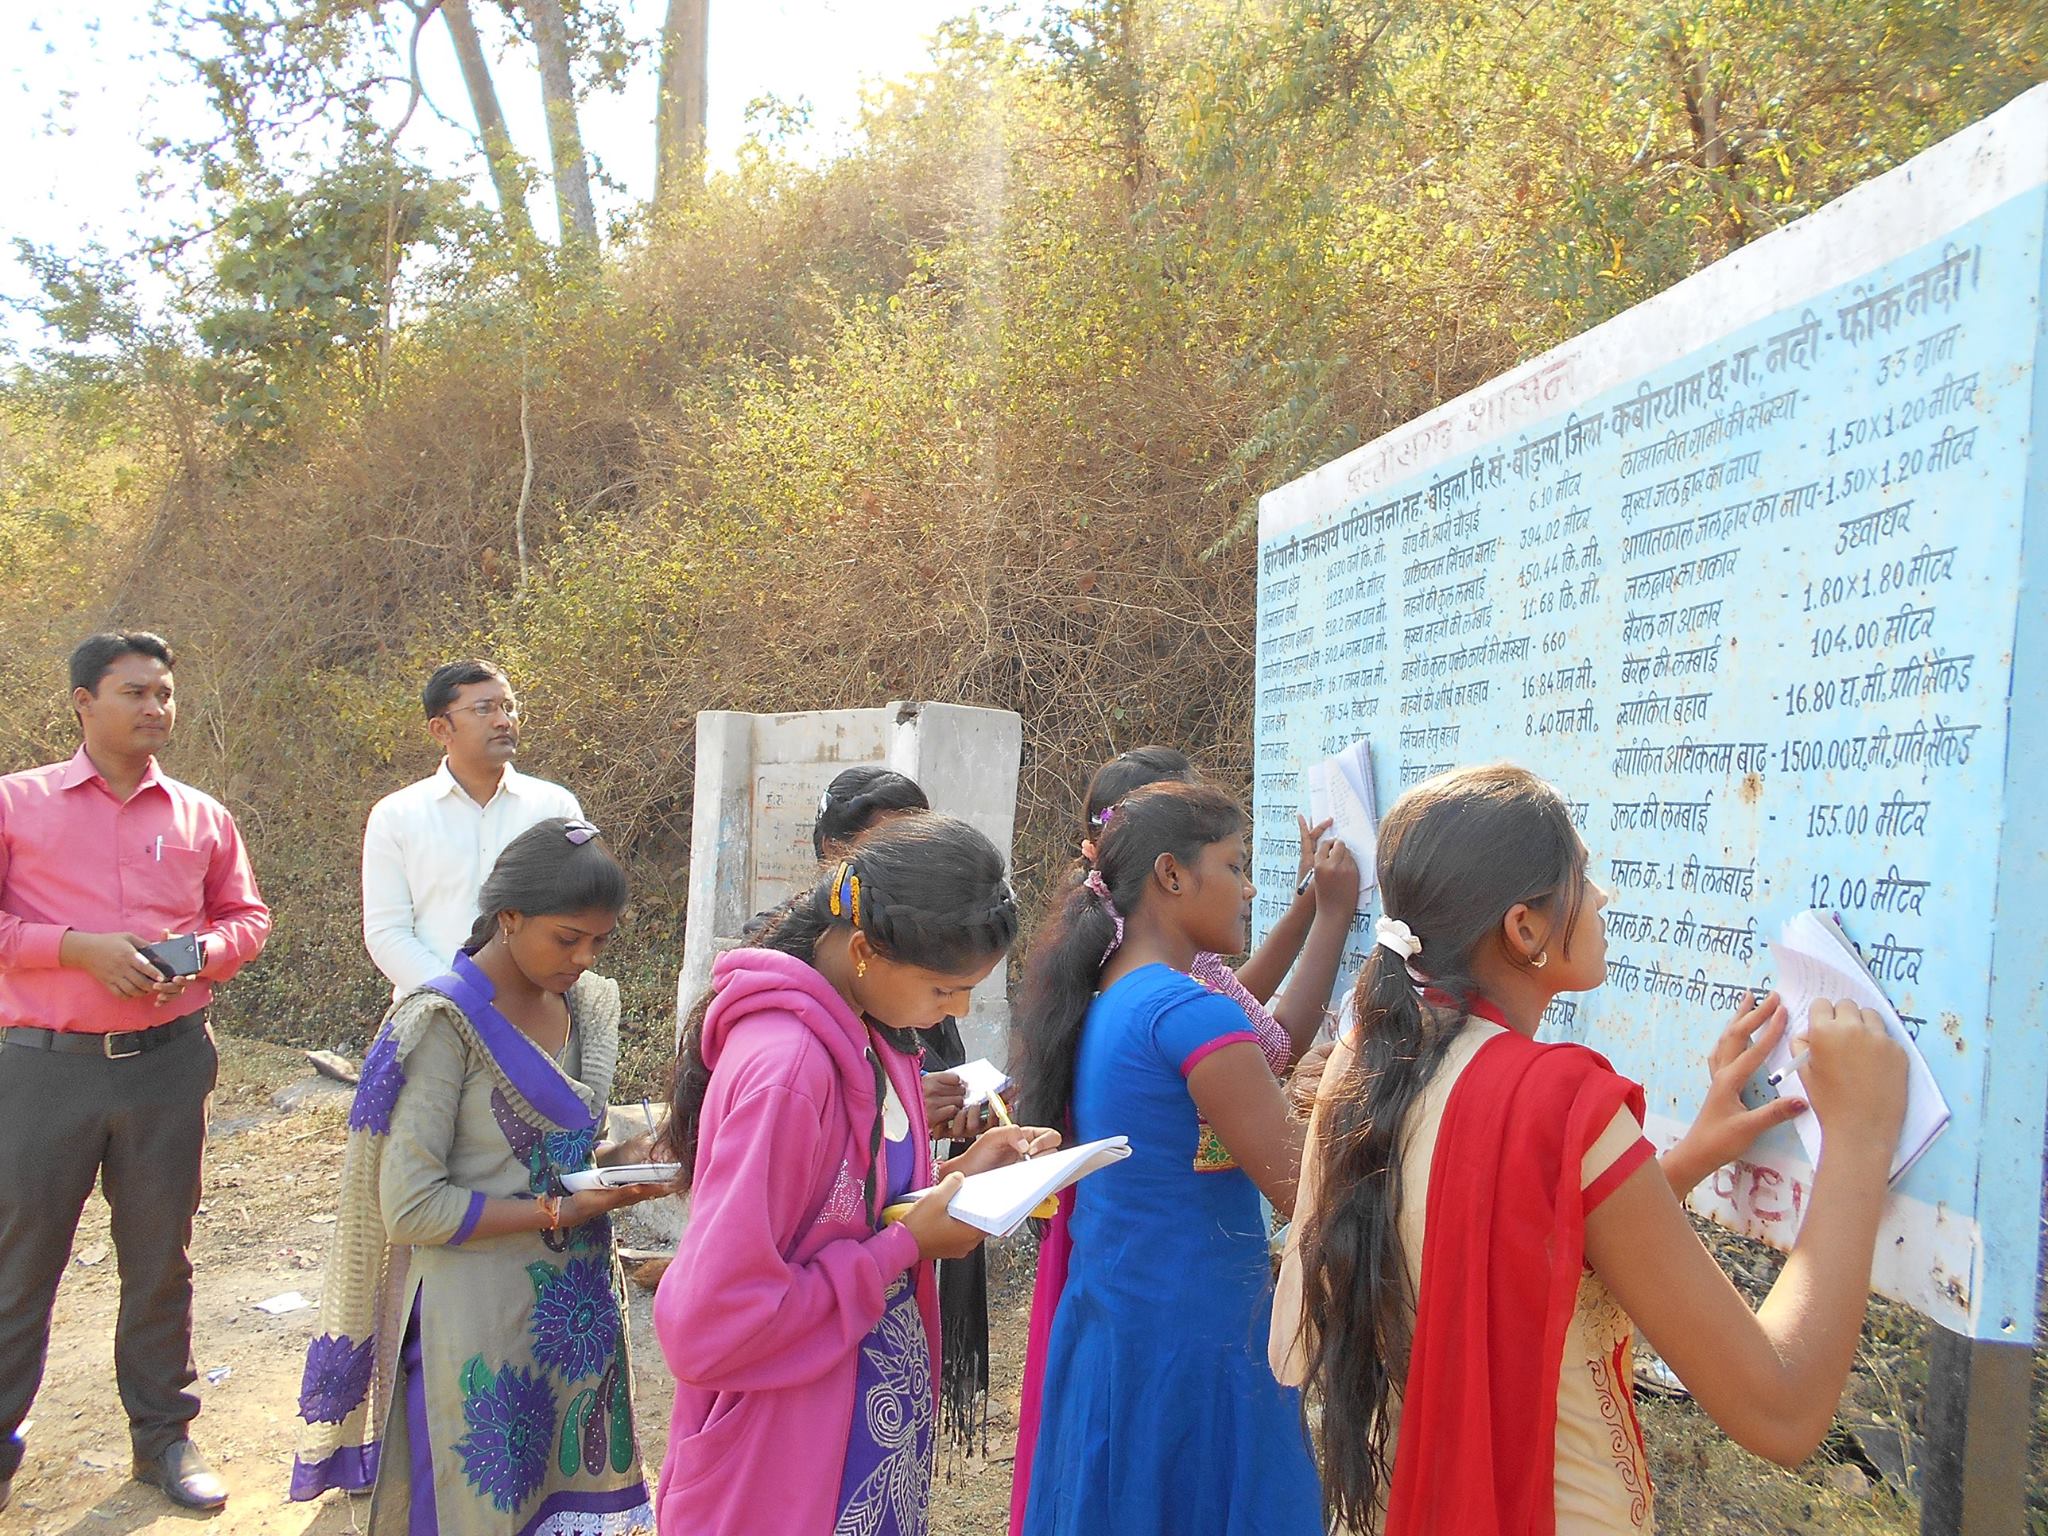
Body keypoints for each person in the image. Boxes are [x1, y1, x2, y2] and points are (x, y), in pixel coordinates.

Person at [1271, 764, 1907, 1535]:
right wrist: (1860, 1137)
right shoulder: (1555, 1102)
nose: (1601, 896)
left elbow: (1514, 1242)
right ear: (1525, 928)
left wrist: (1696, 1149)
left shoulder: (1367, 1058)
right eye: (1581, 874)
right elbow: (1780, 1409)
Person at [652, 813, 1056, 1536]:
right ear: (866, 950)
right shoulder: (789, 1072)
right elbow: (712, 1323)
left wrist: (962, 1177)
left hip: (855, 1447)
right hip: (784, 1470)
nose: (957, 1010)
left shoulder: (876, 1033)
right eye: (944, 990)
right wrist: (907, 1248)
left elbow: (849, 1214)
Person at [292, 817, 667, 1535]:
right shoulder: (439, 1025)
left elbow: (562, 1161)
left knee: (565, 1497)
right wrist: (559, 1213)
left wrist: (631, 1167)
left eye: (600, 941)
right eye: (567, 939)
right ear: (509, 916)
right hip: (474, 1317)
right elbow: (410, 1209)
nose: (584, 958)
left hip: (574, 1313)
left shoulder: (584, 1007)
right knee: (479, 1504)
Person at [0, 631, 272, 1515]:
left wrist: (203, 956)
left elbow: (248, 916)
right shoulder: (17, 804)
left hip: (167, 1067)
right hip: (44, 1070)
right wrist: (76, 949)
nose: (155, 707)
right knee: (20, 1261)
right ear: (84, 701)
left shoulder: (201, 815)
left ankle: (164, 1440)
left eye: (164, 692)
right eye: (134, 693)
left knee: (160, 1259)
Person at [1012, 781, 1322, 1536]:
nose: (1248, 887)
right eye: (1234, 864)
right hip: (1200, 1343)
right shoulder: (1189, 1012)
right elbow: (1305, 1195)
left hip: (1121, 1322)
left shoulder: (1110, 995)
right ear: (1171, 875)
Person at [363, 659, 583, 1001]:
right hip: (430, 1016)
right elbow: (386, 932)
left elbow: (577, 913)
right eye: (483, 709)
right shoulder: (396, 816)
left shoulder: (555, 809)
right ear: (441, 729)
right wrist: (457, 994)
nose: (502, 721)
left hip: (537, 1014)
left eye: (509, 708)